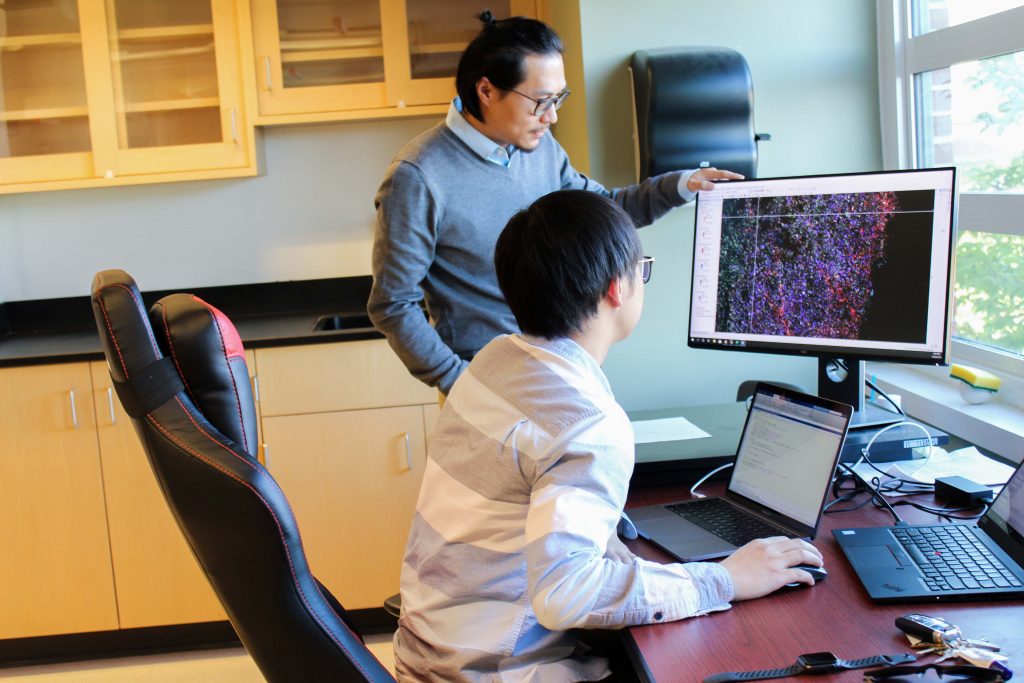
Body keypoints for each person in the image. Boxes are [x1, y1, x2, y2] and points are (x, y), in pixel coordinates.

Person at [392, 190, 824, 682]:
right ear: (618, 287)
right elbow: (566, 595)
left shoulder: (492, 363)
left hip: (429, 647)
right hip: (487, 669)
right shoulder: (587, 424)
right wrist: (724, 579)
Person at [368, 13, 742, 394]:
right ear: (486, 91)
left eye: (559, 98)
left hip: (561, 373)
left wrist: (680, 186)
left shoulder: (539, 146)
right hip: (487, 388)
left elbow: (604, 209)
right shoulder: (417, 177)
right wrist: (459, 381)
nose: (552, 116)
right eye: (541, 101)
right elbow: (393, 304)